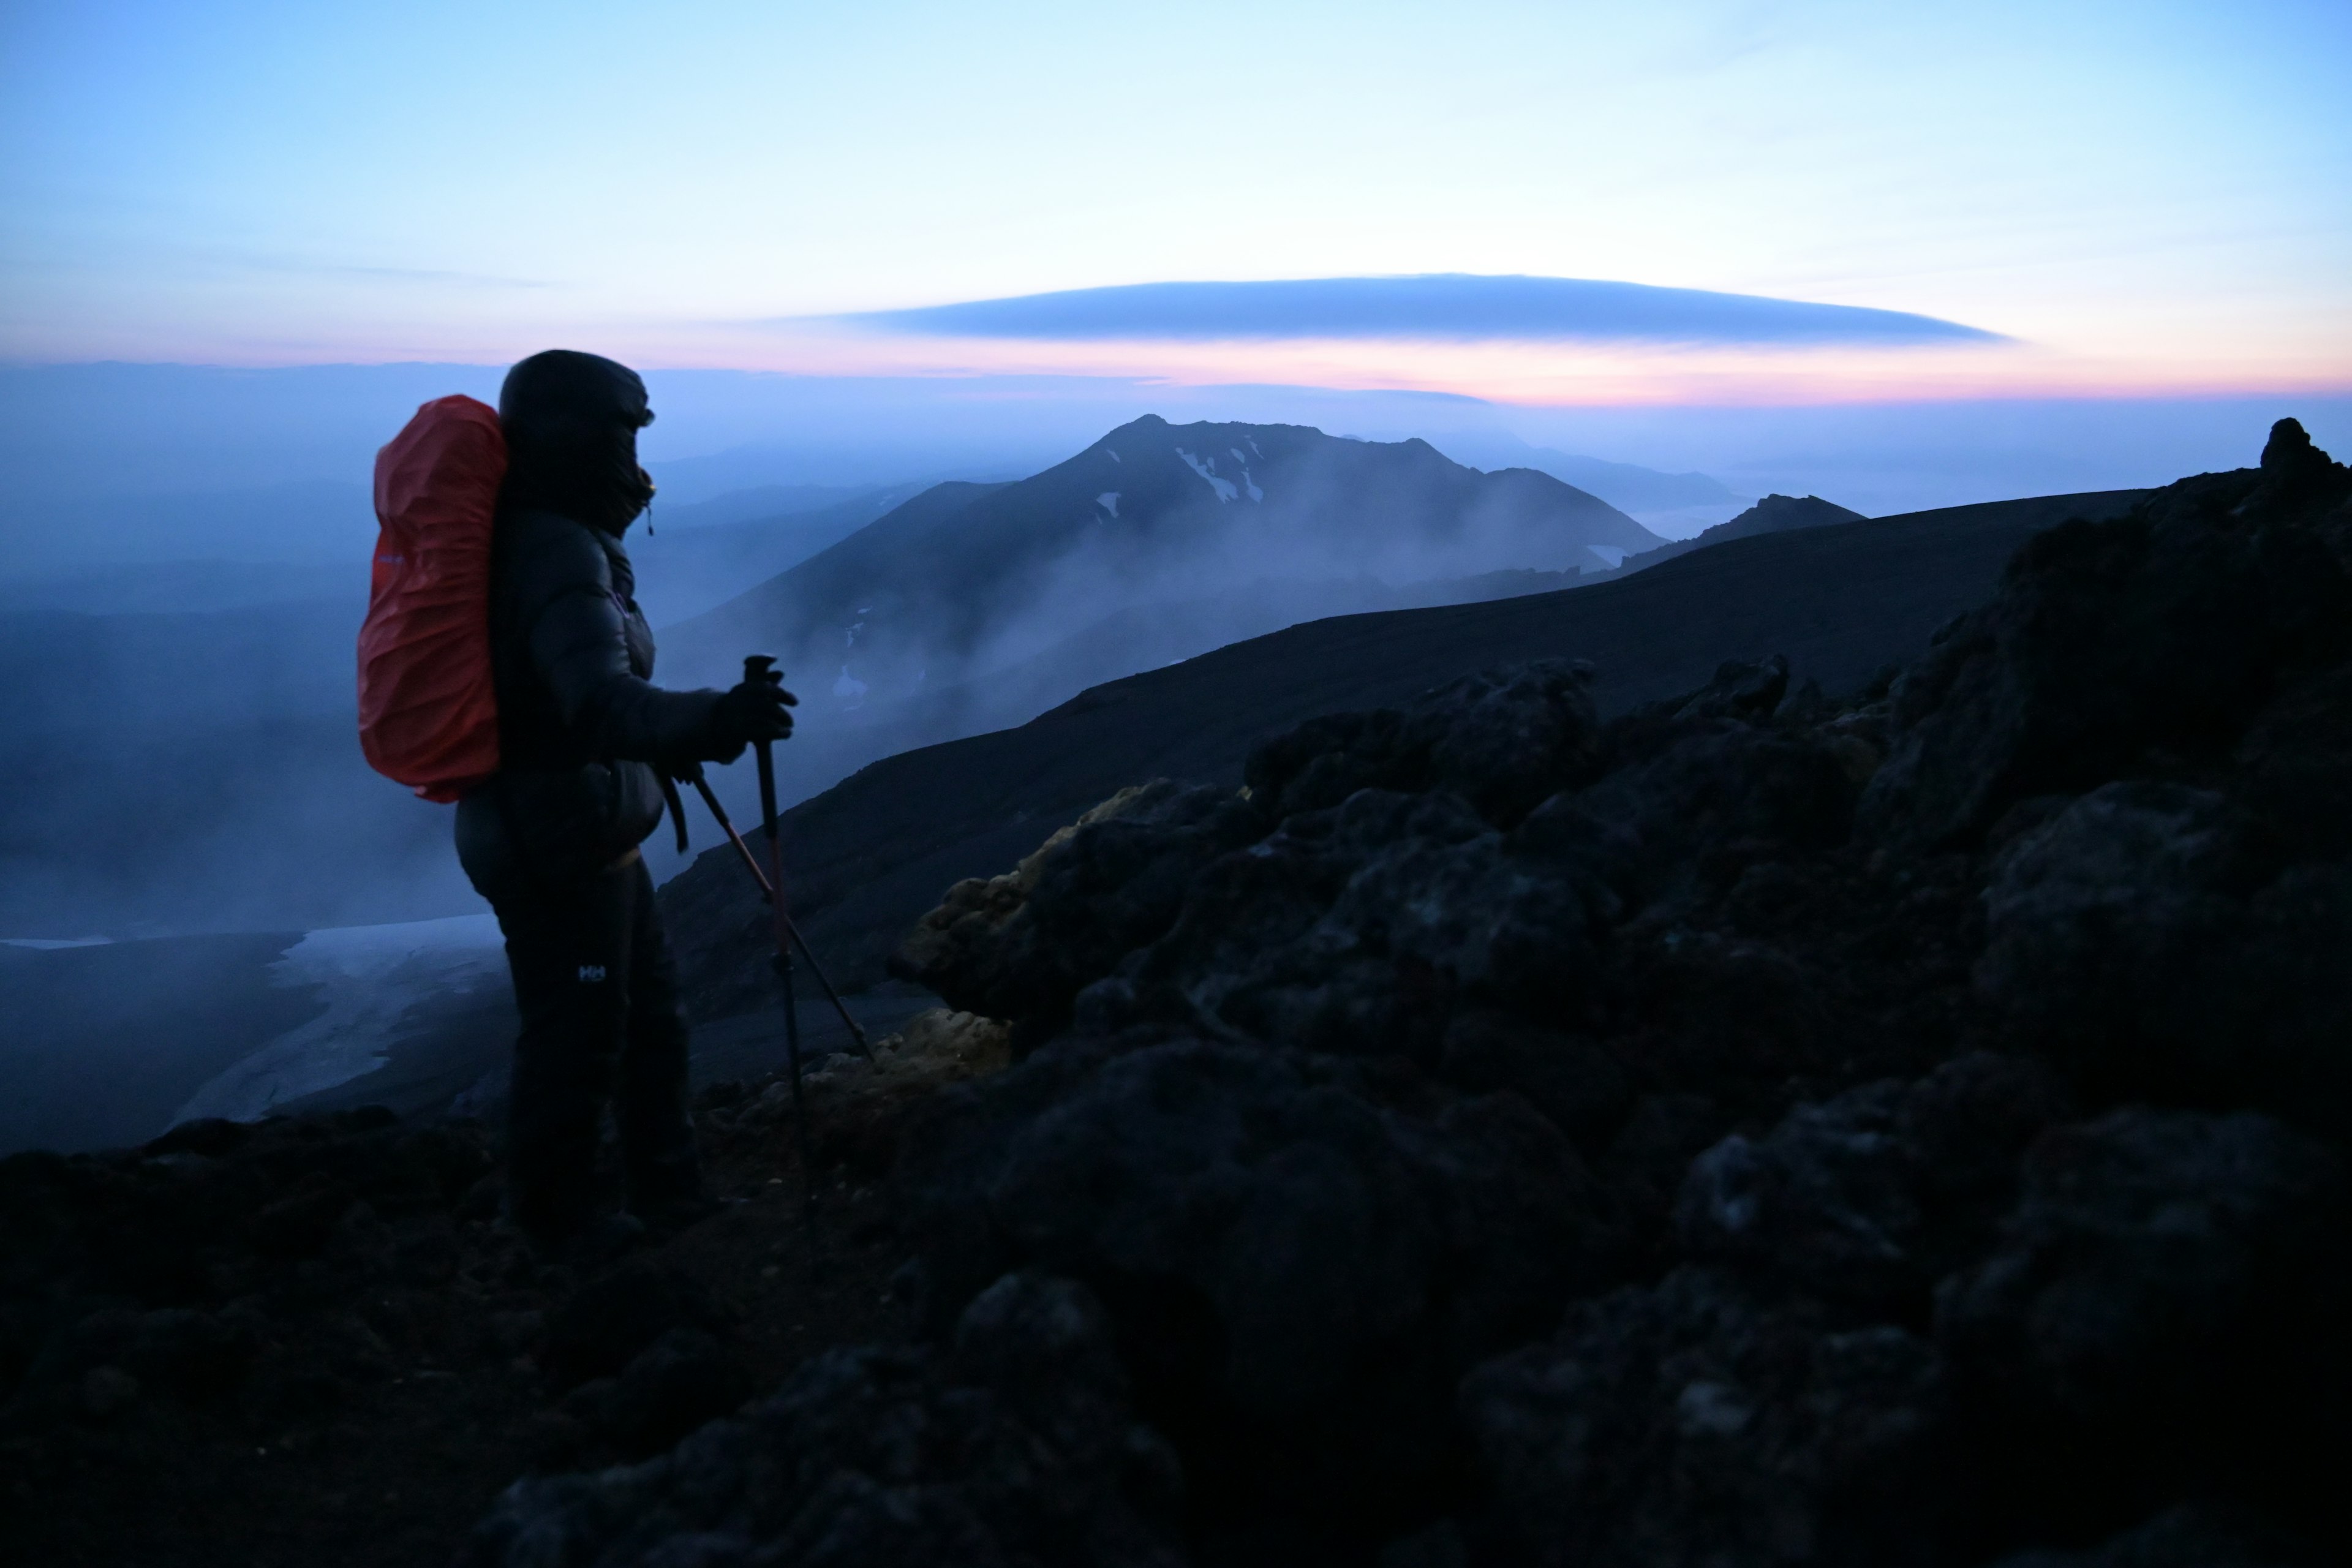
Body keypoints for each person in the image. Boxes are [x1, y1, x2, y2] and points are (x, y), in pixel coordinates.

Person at [454, 349, 796, 1261]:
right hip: (556, 838)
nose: (634, 453)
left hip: (580, 826)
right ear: (573, 436)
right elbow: (597, 700)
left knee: (646, 1020)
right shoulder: (556, 550)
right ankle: (561, 1233)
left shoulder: (544, 535)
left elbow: (578, 702)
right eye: (622, 429)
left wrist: (672, 739)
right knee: (581, 1031)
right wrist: (713, 721)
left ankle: (667, 1199)